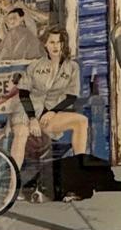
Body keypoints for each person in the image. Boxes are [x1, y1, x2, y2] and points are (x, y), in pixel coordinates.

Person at [11, 25, 91, 197]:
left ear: (64, 44)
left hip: (49, 113)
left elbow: (71, 97)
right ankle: (13, 186)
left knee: (81, 121)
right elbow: (23, 94)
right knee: (21, 132)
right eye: (52, 42)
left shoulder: (72, 67)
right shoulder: (35, 65)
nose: (56, 46)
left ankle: (79, 175)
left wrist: (52, 112)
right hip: (27, 111)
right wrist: (32, 118)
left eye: (59, 42)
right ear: (45, 44)